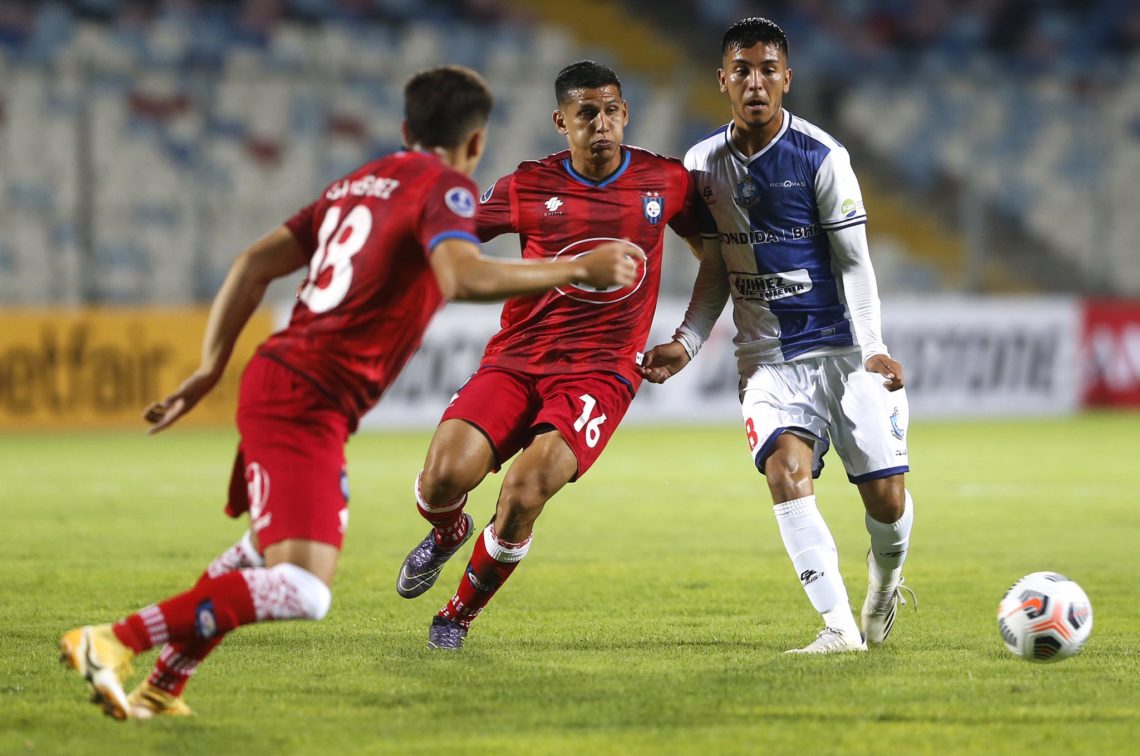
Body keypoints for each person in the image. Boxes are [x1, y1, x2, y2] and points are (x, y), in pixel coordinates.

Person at [57, 64, 643, 720]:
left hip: (284, 382)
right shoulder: (445, 189)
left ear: (405, 130)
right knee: (304, 589)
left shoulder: (357, 183)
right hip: (306, 399)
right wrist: (577, 267)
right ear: (476, 143)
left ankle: (166, 683)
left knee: (259, 550)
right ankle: (112, 641)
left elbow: (253, 263)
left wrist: (209, 368)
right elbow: (461, 276)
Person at [394, 60, 708, 650]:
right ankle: (448, 533)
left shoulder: (666, 181)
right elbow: (451, 236)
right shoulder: (528, 185)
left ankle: (455, 617)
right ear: (561, 121)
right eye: (586, 113)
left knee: (525, 490)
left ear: (626, 113)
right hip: (517, 358)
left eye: (611, 110)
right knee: (441, 479)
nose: (601, 123)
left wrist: (689, 338)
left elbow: (714, 257)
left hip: (601, 372)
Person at [639, 18, 916, 654]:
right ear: (723, 80)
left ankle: (885, 583)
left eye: (768, 70)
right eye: (742, 70)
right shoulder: (701, 165)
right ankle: (839, 629)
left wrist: (874, 347)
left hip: (842, 350)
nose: (755, 82)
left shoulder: (823, 157)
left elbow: (855, 263)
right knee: (785, 472)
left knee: (886, 501)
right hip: (766, 359)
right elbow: (716, 265)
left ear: (787, 78)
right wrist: (687, 341)